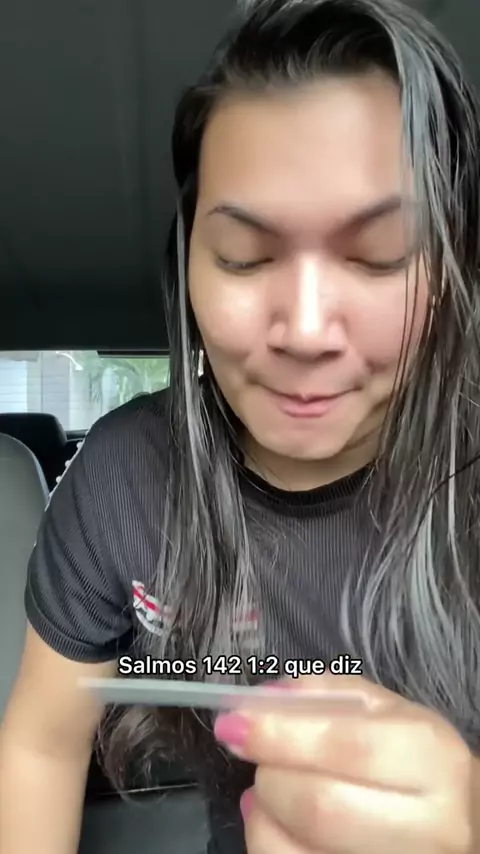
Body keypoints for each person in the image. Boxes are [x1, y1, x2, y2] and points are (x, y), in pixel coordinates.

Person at [1, 0, 480, 851]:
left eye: (379, 255)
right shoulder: (124, 478)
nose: (305, 330)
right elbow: (41, 744)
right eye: (245, 257)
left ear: (447, 273)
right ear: (188, 265)